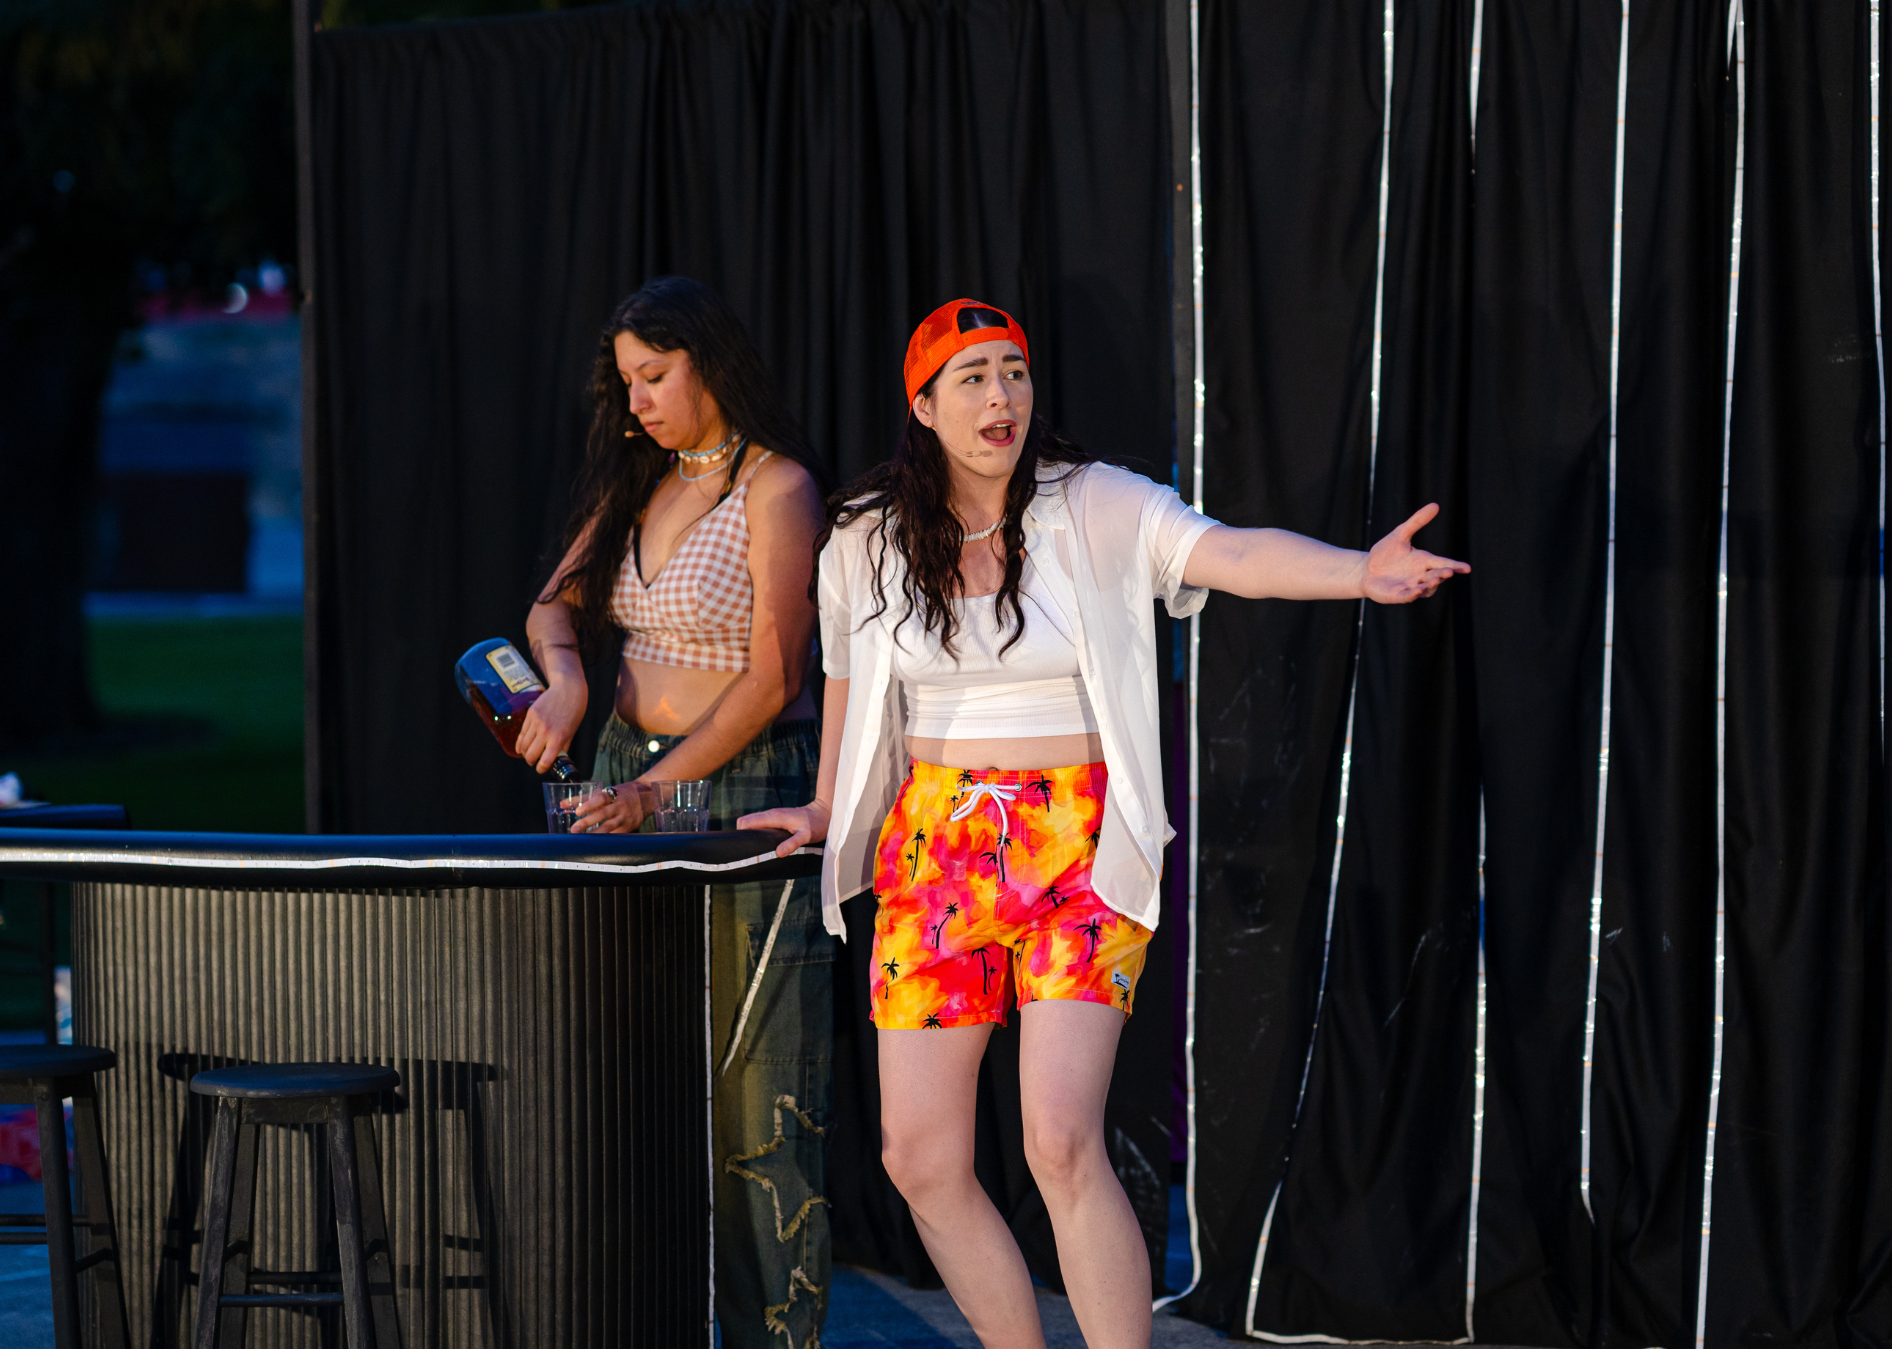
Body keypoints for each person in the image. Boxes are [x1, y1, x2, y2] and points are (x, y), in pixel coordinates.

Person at [741, 299, 1467, 1349]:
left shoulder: (1097, 504)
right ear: (923, 404)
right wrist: (822, 806)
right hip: (936, 848)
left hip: (1076, 843)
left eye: (1013, 372)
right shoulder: (863, 539)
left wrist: (1357, 572)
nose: (1000, 397)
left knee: (1058, 1138)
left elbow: (1232, 554)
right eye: (973, 378)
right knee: (919, 1158)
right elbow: (851, 684)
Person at [515, 276, 834, 1349]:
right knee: (624, 1065)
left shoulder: (777, 487)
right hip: (619, 777)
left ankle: (768, 1336)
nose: (639, 400)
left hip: (731, 788)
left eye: (656, 376)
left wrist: (659, 788)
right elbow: (550, 605)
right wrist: (561, 680)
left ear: (709, 361)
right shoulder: (638, 481)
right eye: (627, 383)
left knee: (755, 1092)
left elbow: (772, 673)